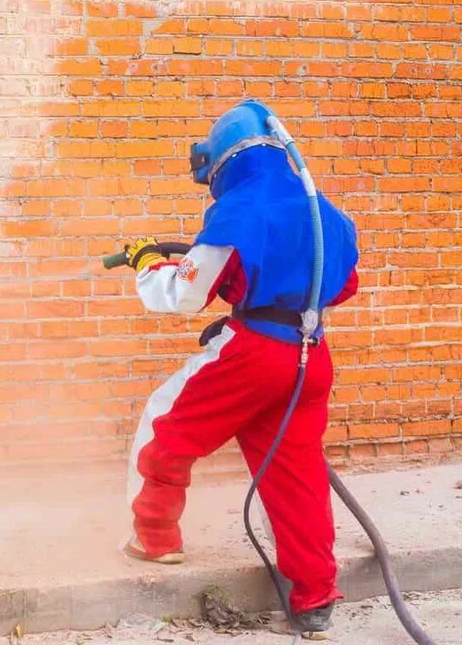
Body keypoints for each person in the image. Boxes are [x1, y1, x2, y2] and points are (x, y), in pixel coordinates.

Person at [120, 100, 359, 640]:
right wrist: (265, 301)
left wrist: (149, 265)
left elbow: (185, 293)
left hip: (254, 356)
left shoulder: (240, 209)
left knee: (166, 423)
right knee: (296, 475)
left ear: (225, 161)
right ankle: (315, 597)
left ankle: (154, 537)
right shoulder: (321, 206)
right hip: (310, 354)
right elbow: (343, 284)